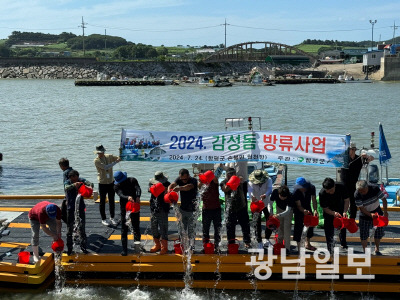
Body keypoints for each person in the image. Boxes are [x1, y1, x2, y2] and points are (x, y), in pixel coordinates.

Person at [340, 142, 374, 219]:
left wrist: (368, 157)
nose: (352, 151)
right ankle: (342, 217)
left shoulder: (359, 159)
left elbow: (371, 158)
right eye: (350, 149)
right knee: (343, 201)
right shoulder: (344, 159)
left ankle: (352, 219)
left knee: (353, 202)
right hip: (344, 183)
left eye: (353, 150)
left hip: (354, 183)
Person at [220, 168, 251, 249]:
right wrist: (233, 182)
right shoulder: (223, 182)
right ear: (227, 175)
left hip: (241, 206)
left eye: (234, 174)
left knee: (245, 225)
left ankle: (247, 241)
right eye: (230, 174)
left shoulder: (240, 181)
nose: (232, 175)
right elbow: (225, 189)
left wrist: (239, 180)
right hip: (230, 208)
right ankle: (231, 242)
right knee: (230, 226)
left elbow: (246, 190)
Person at [355, 180, 388, 255]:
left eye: (363, 191)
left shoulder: (374, 188)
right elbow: (362, 208)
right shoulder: (356, 194)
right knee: (363, 235)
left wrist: (385, 212)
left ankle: (377, 248)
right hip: (364, 215)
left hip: (377, 213)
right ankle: (365, 250)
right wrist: (370, 215)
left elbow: (384, 200)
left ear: (367, 187)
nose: (362, 193)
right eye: (360, 191)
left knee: (378, 233)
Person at [168, 168, 198, 249]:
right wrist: (169, 191)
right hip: (183, 209)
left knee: (191, 230)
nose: (183, 180)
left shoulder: (194, 181)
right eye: (182, 179)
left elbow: (188, 187)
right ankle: (182, 245)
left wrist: (179, 188)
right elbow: (173, 184)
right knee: (181, 229)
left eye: (185, 179)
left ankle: (192, 246)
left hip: (192, 210)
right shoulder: (180, 179)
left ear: (188, 176)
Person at [64, 170, 92, 255]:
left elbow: (90, 183)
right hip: (70, 208)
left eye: (74, 178)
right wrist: (73, 185)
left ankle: (83, 247)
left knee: (82, 227)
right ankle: (69, 248)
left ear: (77, 176)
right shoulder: (67, 182)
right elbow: (66, 187)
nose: (73, 180)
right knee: (69, 229)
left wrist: (89, 186)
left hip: (80, 207)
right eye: (71, 179)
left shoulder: (81, 180)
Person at [114, 171, 142, 256]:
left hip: (134, 206)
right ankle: (124, 249)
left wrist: (137, 196)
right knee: (124, 228)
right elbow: (120, 194)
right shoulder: (116, 186)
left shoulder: (132, 180)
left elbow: (138, 188)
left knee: (136, 227)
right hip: (124, 208)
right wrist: (128, 197)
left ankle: (137, 246)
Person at [319, 178, 350, 253]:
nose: (329, 192)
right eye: (328, 191)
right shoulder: (322, 193)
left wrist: (345, 211)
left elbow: (347, 200)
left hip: (340, 208)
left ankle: (343, 244)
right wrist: (333, 213)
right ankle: (330, 248)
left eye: (331, 190)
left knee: (342, 227)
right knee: (329, 230)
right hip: (329, 211)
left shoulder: (341, 187)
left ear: (334, 186)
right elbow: (325, 208)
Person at [94, 145, 121, 226]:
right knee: (102, 201)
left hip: (111, 182)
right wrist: (115, 162)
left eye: (102, 152)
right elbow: (105, 167)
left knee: (112, 200)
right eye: (99, 152)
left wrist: (120, 154)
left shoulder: (109, 156)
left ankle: (112, 217)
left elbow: (118, 157)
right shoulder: (96, 160)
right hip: (102, 183)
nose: (101, 154)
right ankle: (103, 218)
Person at [248, 169, 273, 249]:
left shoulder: (268, 180)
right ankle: (259, 241)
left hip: (266, 203)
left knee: (270, 221)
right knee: (257, 222)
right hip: (256, 204)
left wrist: (265, 194)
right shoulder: (250, 182)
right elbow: (250, 191)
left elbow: (269, 189)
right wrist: (252, 196)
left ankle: (267, 239)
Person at [293, 177, 318, 252]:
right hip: (298, 209)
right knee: (298, 227)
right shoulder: (296, 191)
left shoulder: (311, 188)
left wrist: (315, 210)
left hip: (308, 207)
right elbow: (298, 205)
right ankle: (299, 246)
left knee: (310, 226)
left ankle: (308, 243)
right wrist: (303, 210)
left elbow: (314, 200)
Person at [198, 172, 222, 253]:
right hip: (206, 209)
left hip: (216, 209)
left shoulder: (214, 183)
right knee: (205, 229)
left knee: (217, 229)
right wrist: (202, 179)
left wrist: (209, 175)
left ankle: (217, 246)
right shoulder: (202, 185)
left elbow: (215, 179)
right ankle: (206, 245)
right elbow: (199, 186)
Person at [148, 171, 170, 255]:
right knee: (153, 227)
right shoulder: (151, 183)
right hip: (154, 208)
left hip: (163, 208)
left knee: (163, 228)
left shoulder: (167, 183)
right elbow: (149, 190)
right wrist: (156, 187)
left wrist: (165, 190)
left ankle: (164, 247)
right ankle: (157, 245)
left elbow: (171, 193)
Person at [270, 185, 294, 253]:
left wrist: (278, 215)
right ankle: (279, 244)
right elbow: (270, 204)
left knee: (287, 229)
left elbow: (287, 211)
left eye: (284, 197)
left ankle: (287, 248)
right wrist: (271, 213)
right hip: (279, 208)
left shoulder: (290, 196)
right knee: (280, 227)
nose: (283, 198)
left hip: (288, 212)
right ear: (279, 194)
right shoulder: (275, 192)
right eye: (281, 196)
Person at [59, 157, 73, 223]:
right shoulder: (73, 171)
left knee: (62, 213)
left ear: (62, 166)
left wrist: (67, 198)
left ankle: (71, 227)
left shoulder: (65, 173)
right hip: (74, 194)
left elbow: (66, 187)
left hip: (69, 196)